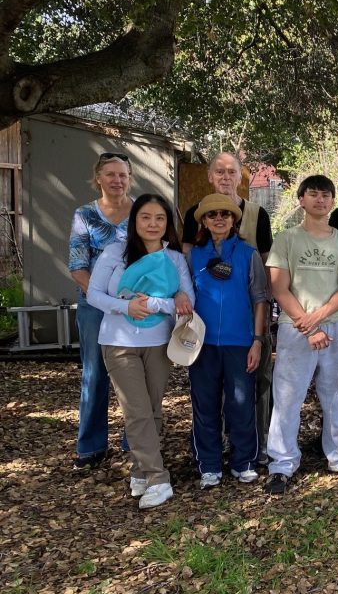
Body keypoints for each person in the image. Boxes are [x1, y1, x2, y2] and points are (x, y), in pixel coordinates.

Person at [87, 194, 193, 509]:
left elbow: (187, 301)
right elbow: (93, 294)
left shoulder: (174, 258)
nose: (152, 224)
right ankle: (158, 478)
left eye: (159, 218)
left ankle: (140, 470)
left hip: (159, 343)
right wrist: (125, 306)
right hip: (119, 343)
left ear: (167, 224)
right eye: (145, 217)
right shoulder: (115, 252)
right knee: (136, 410)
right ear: (134, 220)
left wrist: (152, 303)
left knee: (153, 409)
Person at [263, 175, 338, 495]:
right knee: (287, 397)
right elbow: (279, 288)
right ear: (301, 199)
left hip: (335, 326)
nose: (320, 200)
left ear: (333, 201)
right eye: (313, 195)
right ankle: (281, 463)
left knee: (336, 393)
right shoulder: (286, 239)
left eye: (326, 195)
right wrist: (307, 325)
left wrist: (317, 321)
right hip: (295, 329)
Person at [181, 152, 275, 465]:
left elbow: (262, 284)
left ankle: (249, 455)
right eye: (218, 171)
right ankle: (208, 459)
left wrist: (259, 338)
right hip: (203, 339)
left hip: (243, 334)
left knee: (247, 396)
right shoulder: (194, 250)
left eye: (231, 171)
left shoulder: (255, 224)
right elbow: (184, 284)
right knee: (205, 401)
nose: (225, 176)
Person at [68, 152, 134, 470]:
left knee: (135, 375)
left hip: (136, 307)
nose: (117, 180)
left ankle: (134, 442)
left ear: (130, 178)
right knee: (95, 374)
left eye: (122, 174)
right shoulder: (85, 215)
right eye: (110, 174)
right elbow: (78, 265)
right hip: (94, 305)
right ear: (99, 178)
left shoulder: (142, 213)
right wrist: (102, 297)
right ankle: (91, 446)